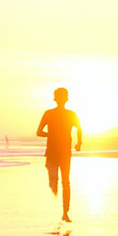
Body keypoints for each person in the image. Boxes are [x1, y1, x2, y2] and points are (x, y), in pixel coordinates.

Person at [36, 87, 82, 222]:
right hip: (64, 152)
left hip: (54, 151)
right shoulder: (71, 114)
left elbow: (39, 132)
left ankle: (53, 185)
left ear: (54, 99)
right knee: (65, 182)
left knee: (59, 180)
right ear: (67, 99)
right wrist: (79, 142)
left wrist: (51, 134)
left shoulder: (49, 113)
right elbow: (79, 129)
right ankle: (65, 213)